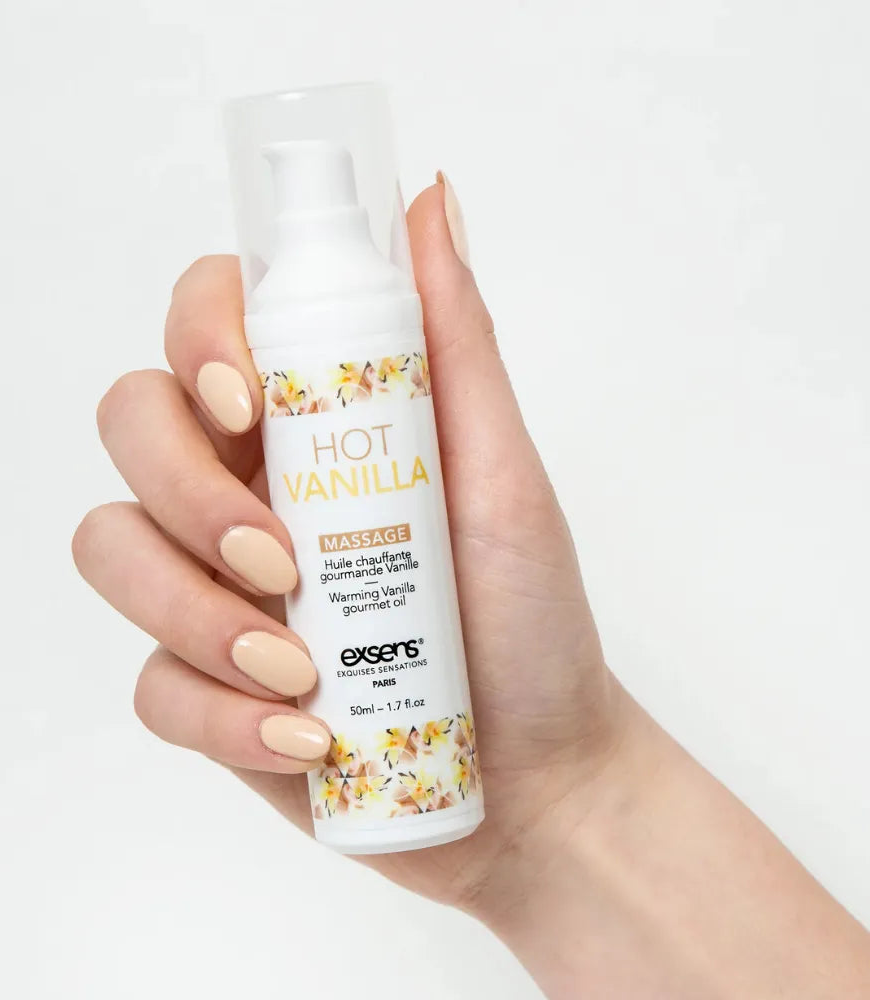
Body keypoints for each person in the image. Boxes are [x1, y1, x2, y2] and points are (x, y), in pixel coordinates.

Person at [72, 176, 870, 997]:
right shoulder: (304, 325)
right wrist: (552, 823)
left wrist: (566, 794)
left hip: (452, 754)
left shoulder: (378, 318)